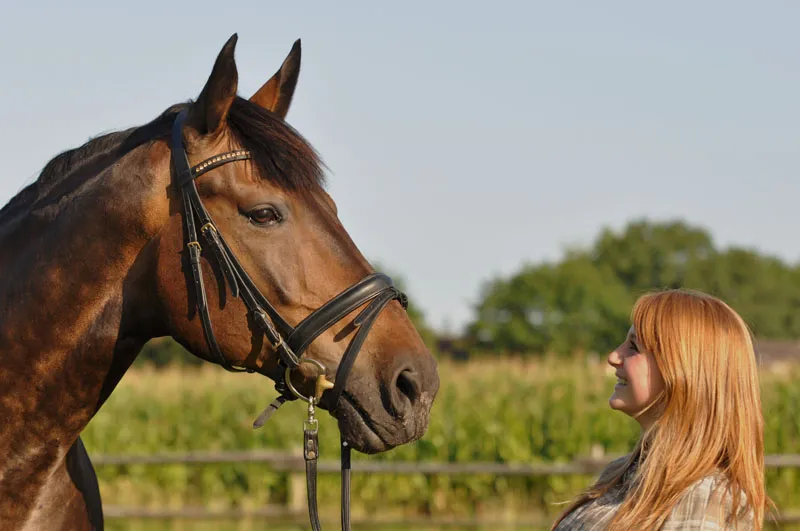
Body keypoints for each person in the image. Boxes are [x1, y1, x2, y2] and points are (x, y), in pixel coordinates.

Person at [550, 288, 773, 530]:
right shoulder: (621, 475)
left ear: (682, 369)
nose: (614, 356)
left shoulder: (704, 498)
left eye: (634, 347)